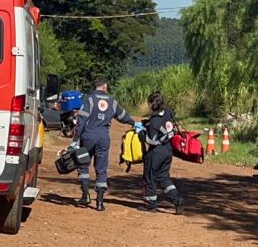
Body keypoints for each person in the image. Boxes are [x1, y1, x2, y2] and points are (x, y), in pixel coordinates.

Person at [70, 76, 142, 211]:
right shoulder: (112, 101)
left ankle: (85, 196)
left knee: (83, 165)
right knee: (101, 169)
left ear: (95, 87)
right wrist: (133, 123)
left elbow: (81, 122)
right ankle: (99, 202)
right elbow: (122, 116)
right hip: (104, 137)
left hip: (88, 137)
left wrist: (75, 141)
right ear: (105, 87)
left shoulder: (89, 99)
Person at [139, 92, 185, 214]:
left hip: (156, 153)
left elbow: (151, 141)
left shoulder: (153, 121)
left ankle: (151, 205)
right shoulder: (168, 113)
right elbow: (166, 127)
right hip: (168, 150)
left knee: (150, 177)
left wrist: (142, 133)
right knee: (163, 177)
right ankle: (177, 200)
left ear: (151, 104)